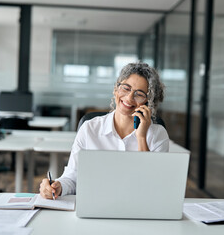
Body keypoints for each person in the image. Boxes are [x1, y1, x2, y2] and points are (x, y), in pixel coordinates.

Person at [39, 62, 169, 199]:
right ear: (116, 89)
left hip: (139, 207)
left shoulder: (157, 135)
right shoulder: (90, 129)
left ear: (148, 103)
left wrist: (141, 137)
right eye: (126, 88)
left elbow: (153, 185)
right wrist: (58, 186)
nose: (129, 98)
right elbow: (72, 178)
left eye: (139, 94)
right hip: (95, 205)